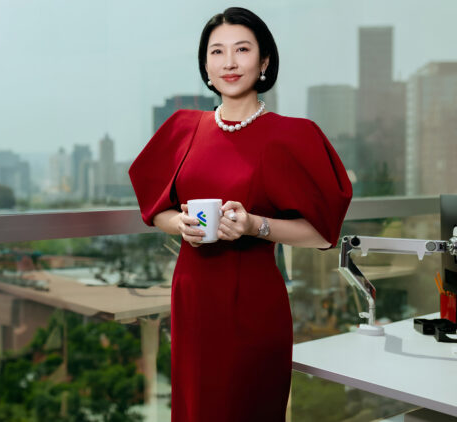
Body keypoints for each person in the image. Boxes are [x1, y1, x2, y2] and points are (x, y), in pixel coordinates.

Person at [128, 7, 352, 422]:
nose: (229, 62)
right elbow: (156, 208)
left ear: (264, 62)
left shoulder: (292, 135)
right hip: (192, 298)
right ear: (206, 66)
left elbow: (322, 235)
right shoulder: (182, 128)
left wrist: (254, 225)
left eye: (242, 49)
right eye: (217, 52)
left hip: (252, 300)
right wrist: (179, 224)